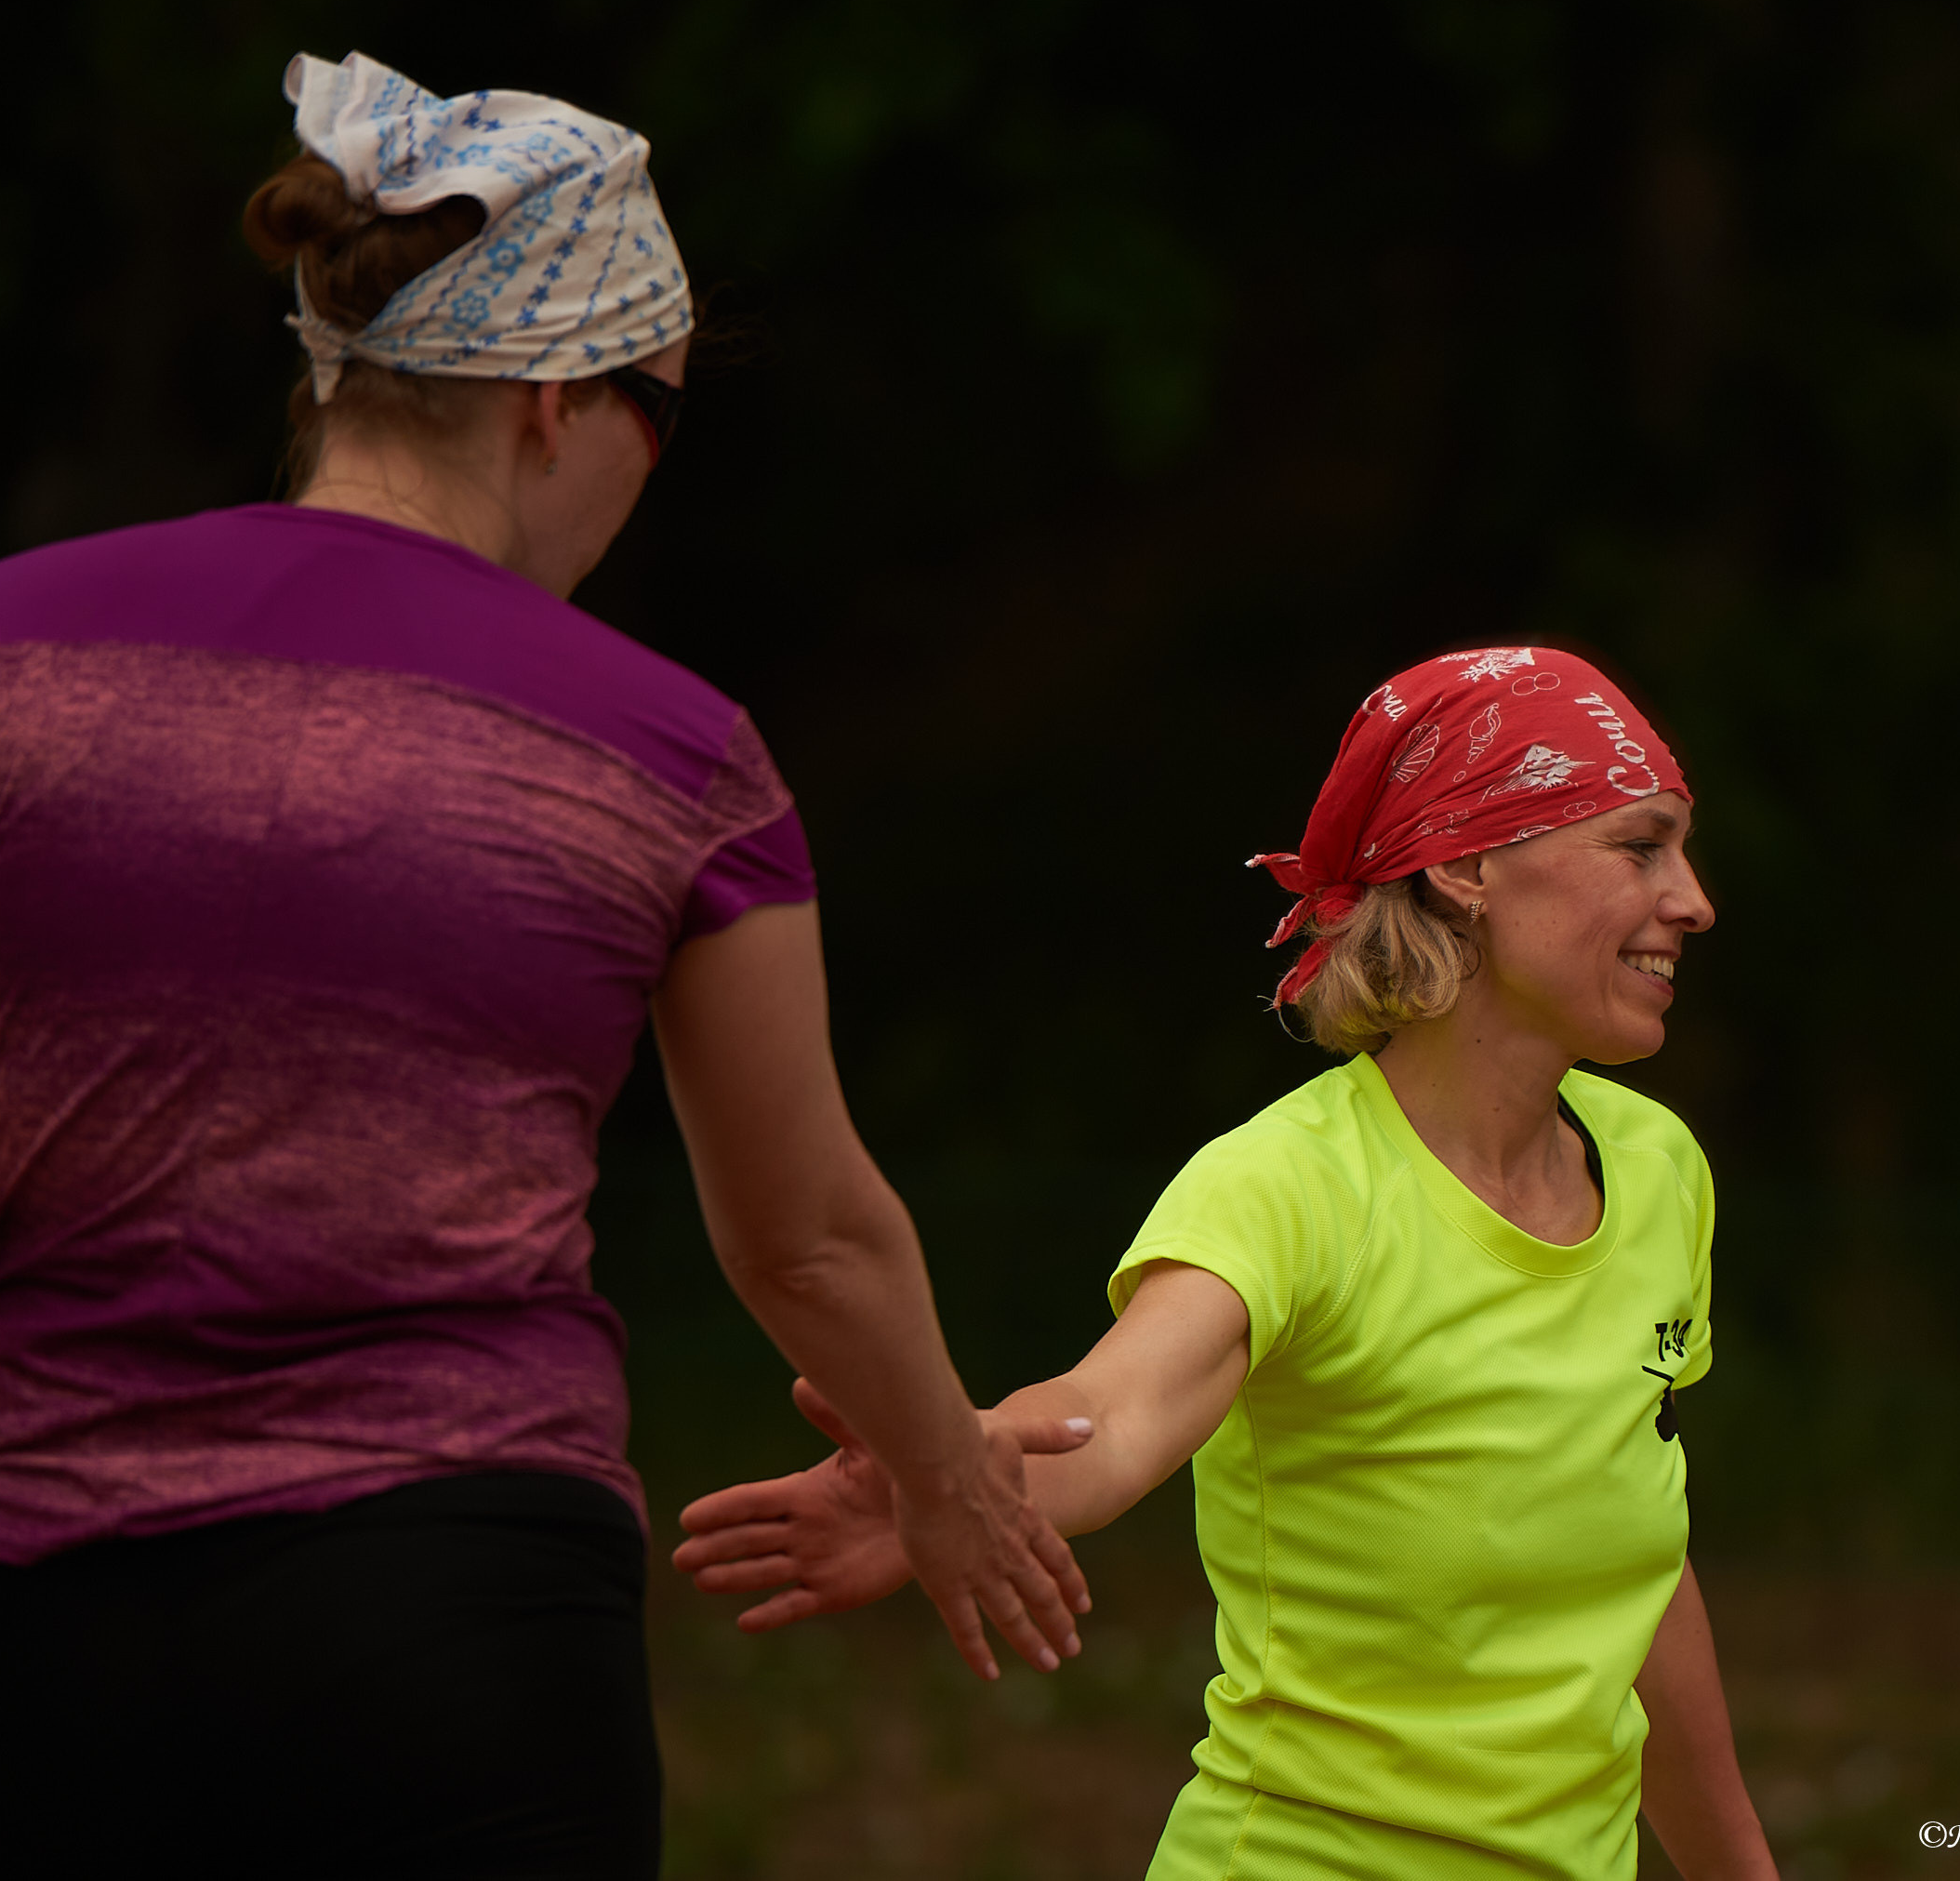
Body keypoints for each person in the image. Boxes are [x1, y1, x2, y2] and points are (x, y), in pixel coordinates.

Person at [0, 50, 1085, 1879]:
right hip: (453, 1628)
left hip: (24, 1629)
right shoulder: (669, 750)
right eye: (659, 419)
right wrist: (949, 1481)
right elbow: (805, 1237)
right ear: (552, 401)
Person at [674, 646, 1780, 1880]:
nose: (1694, 898)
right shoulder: (1289, 1186)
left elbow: (1638, 1566)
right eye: (1640, 846)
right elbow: (1117, 1412)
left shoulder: (1661, 1169)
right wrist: (953, 1471)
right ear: (1466, 865)